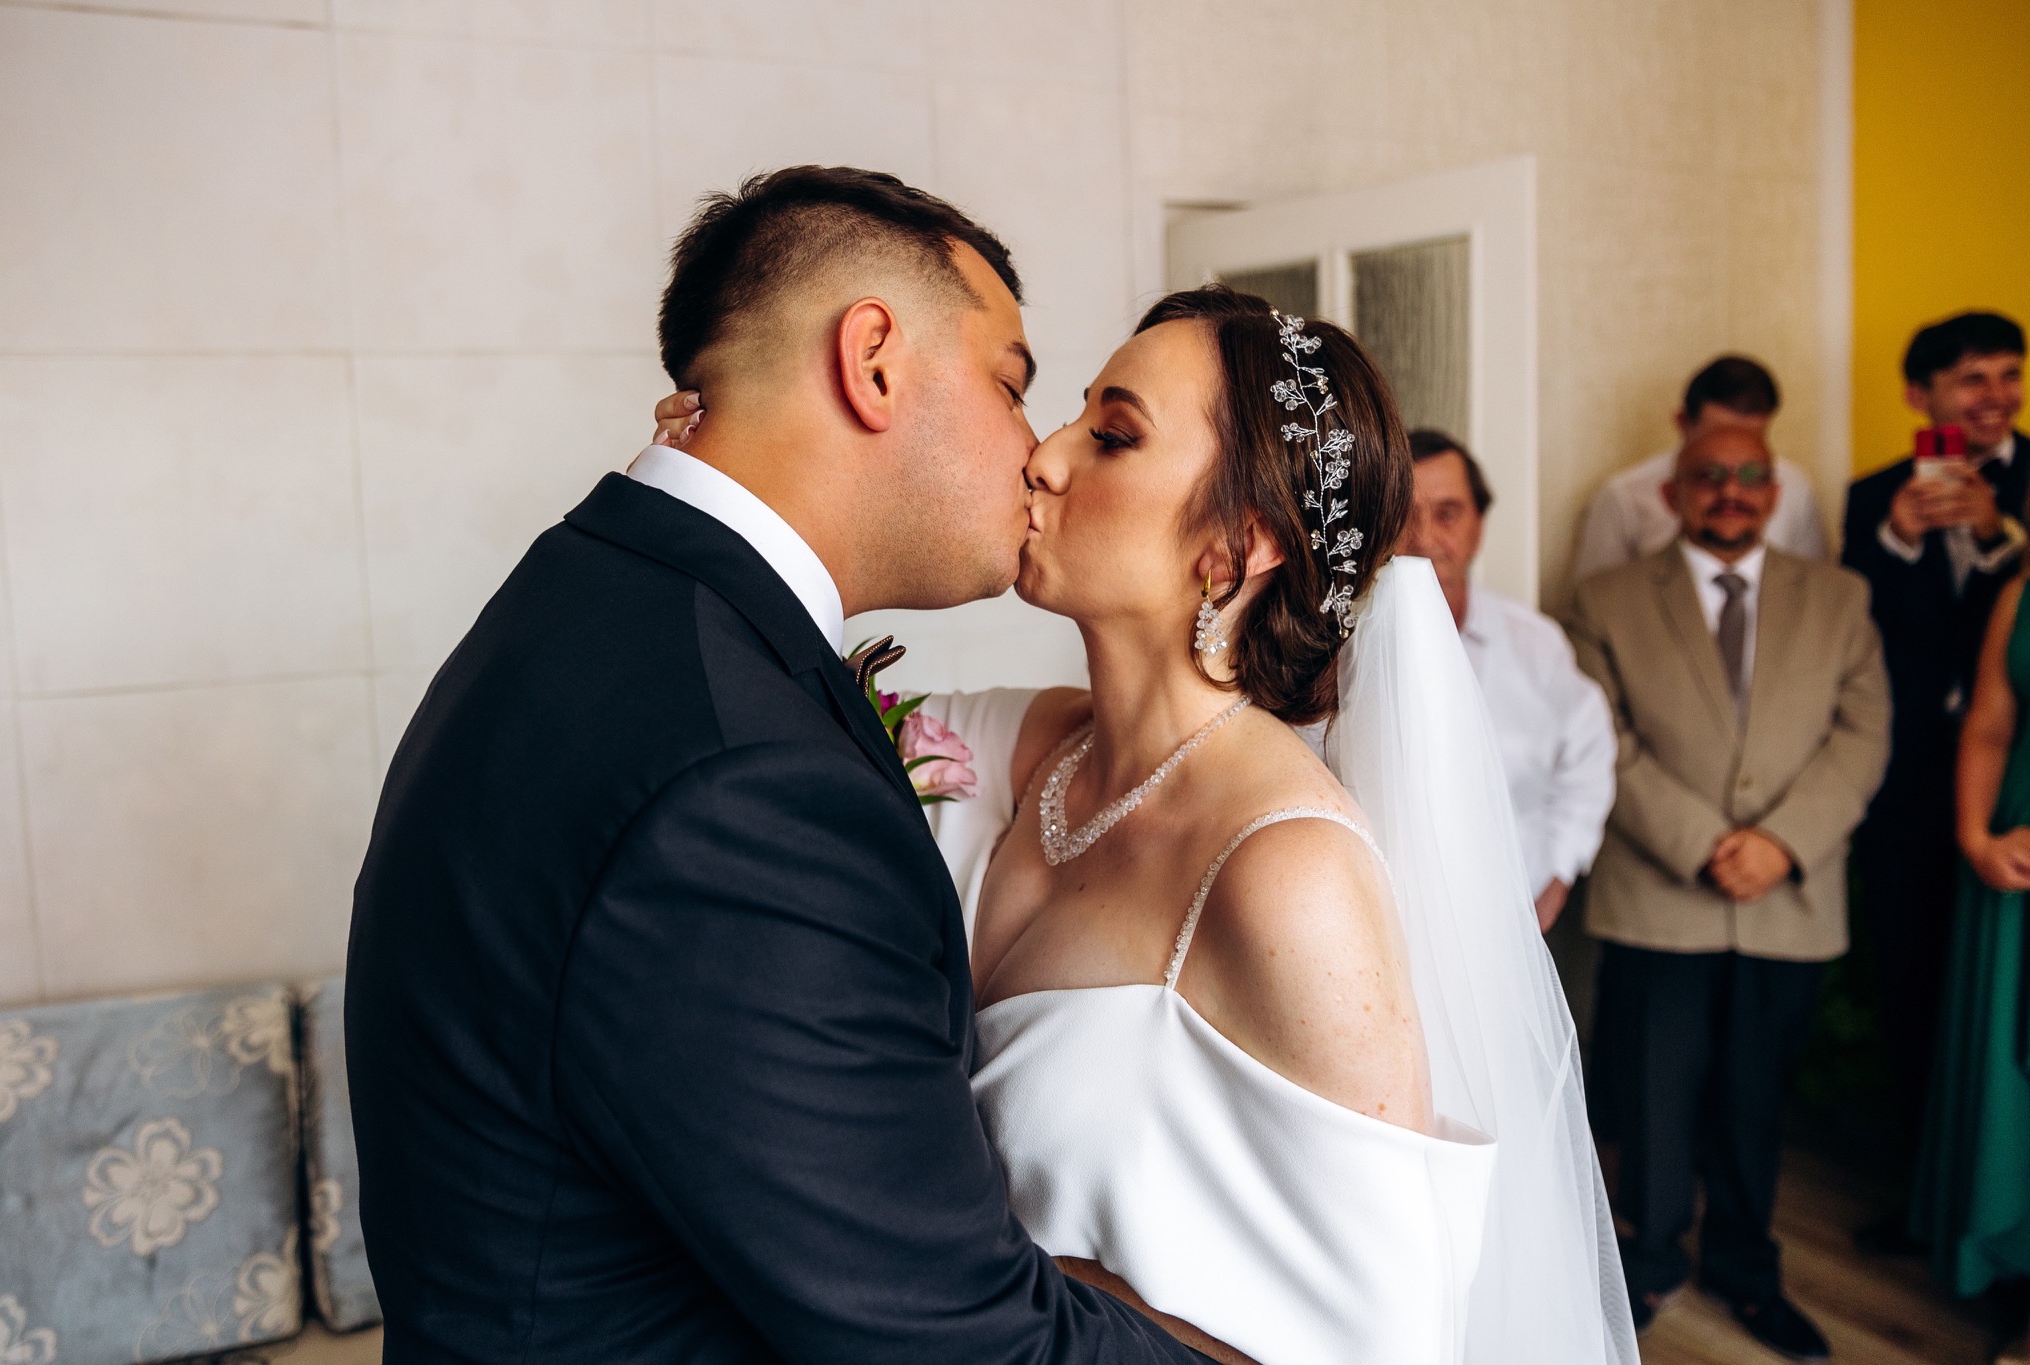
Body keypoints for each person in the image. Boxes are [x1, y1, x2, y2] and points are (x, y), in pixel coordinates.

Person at [661, 290, 1637, 1363]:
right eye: (1073, 414)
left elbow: (1387, 1339)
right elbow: (752, 734)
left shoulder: (1289, 871)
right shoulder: (1021, 744)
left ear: (1234, 547)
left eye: (1113, 436)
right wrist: (716, 494)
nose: (1042, 457)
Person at [343, 167, 1214, 1362]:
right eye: (1011, 387)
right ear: (873, 362)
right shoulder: (741, 778)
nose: (1034, 453)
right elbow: (953, 1340)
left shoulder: (589, 593)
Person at [1570, 426, 1890, 1358]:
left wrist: (1781, 843)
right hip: (1658, 893)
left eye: (1753, 475)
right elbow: (1603, 737)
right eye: (1709, 475)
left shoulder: (1841, 598)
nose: (1732, 490)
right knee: (1654, 1099)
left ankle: (1746, 1266)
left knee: (1756, 1100)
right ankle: (1647, 1260)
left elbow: (1864, 732)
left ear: (1775, 493)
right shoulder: (1605, 600)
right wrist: (1704, 843)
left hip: (1789, 899)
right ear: (1673, 493)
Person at [1843, 312, 2029, 1216]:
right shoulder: (1872, 496)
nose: (1996, 395)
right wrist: (1896, 541)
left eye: (2009, 374)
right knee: (1910, 980)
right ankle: (1925, 1195)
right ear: (1922, 396)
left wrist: (2001, 536)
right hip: (1907, 780)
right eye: (1972, 379)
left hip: (2016, 778)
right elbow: (1848, 623)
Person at [1404, 428, 1615, 931]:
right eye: (1402, 516)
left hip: (1516, 917)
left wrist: (1559, 874)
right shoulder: (1334, 646)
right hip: (1394, 921)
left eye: (1447, 513)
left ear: (1479, 524)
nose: (1425, 538)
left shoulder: (1535, 643)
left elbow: (1588, 756)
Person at [1910, 567, 2030, 1343]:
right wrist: (1977, 837)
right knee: (2008, 1083)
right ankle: (2014, 1270)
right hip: (2014, 859)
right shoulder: (2021, 593)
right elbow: (1989, 723)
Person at [1573, 355, 1826, 580]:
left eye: (1751, 439)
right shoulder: (1624, 494)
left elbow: (1812, 590)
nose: (1731, 489)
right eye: (1716, 434)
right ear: (1683, 422)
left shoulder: (1795, 486)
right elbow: (1597, 598)